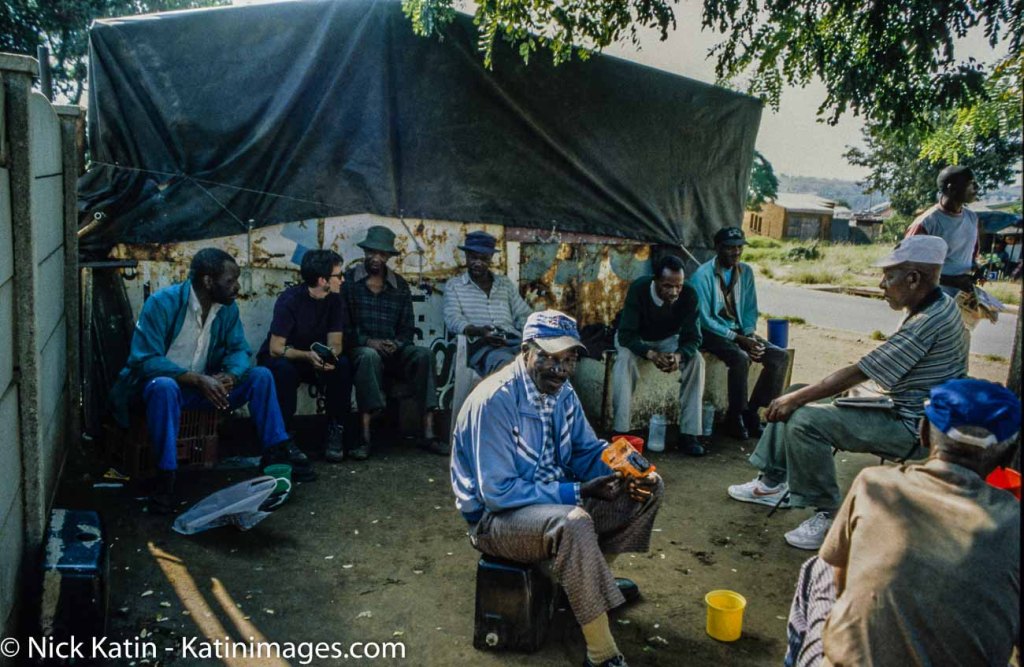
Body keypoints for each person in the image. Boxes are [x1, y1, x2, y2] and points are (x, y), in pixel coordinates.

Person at [726, 236, 969, 549]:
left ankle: (828, 514)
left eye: (889, 277)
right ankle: (772, 482)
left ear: (913, 279)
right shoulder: (939, 305)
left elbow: (860, 371)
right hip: (907, 409)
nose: (882, 284)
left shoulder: (928, 321)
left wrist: (796, 400)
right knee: (798, 391)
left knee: (804, 419)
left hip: (916, 428)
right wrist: (797, 396)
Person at [451, 310, 663, 667]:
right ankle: (601, 654)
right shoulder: (496, 401)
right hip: (495, 520)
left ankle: (585, 587)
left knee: (649, 488)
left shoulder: (561, 392)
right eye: (548, 356)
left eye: (568, 359)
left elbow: (584, 449)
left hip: (548, 501)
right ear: (525, 350)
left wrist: (625, 469)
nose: (559, 368)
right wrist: (577, 492)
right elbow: (498, 493)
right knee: (575, 522)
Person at [784, 378, 1020, 667]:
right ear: (1009, 454)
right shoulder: (1014, 520)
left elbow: (841, 582)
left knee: (819, 567)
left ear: (923, 432)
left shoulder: (874, 484)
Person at [109, 248, 307, 512]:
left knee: (261, 376)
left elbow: (239, 350)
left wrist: (231, 375)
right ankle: (165, 480)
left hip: (204, 389)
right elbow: (145, 360)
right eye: (230, 281)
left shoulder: (226, 309)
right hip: (159, 392)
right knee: (164, 387)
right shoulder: (162, 303)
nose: (236, 287)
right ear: (207, 281)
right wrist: (195, 379)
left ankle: (276, 455)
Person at [341, 225, 446, 460]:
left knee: (423, 354)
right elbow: (343, 329)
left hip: (393, 351)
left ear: (388, 257)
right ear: (365, 252)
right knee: (369, 356)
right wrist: (369, 342)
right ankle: (365, 438)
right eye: (372, 253)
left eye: (382, 254)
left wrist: (396, 344)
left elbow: (408, 329)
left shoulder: (399, 286)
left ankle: (428, 433)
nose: (376, 258)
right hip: (361, 352)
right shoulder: (348, 283)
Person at [689, 226, 788, 440]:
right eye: (729, 248)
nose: (735, 252)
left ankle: (752, 412)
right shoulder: (701, 276)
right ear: (717, 248)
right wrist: (739, 340)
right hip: (710, 331)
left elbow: (750, 309)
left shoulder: (746, 271)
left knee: (779, 357)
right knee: (740, 358)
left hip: (738, 330)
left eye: (739, 248)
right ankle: (735, 417)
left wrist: (750, 335)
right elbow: (705, 319)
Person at [258, 249, 352, 463]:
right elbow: (276, 348)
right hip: (288, 357)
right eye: (338, 275)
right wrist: (307, 356)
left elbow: (335, 342)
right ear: (322, 280)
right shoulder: (290, 299)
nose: (343, 279)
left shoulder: (335, 300)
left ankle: (335, 430)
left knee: (343, 365)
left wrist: (328, 358)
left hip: (314, 358)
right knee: (284, 371)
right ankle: (284, 437)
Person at [612, 254, 706, 456]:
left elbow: (694, 338)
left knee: (697, 360)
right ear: (655, 281)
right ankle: (621, 432)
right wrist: (651, 354)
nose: (674, 292)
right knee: (624, 360)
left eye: (678, 286)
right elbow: (626, 335)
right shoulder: (639, 289)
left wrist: (679, 356)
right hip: (636, 338)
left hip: (667, 339)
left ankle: (689, 434)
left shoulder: (689, 294)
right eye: (667, 286)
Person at [443, 230, 533, 376]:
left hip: (512, 342)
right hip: (479, 346)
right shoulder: (454, 285)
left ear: (491, 258)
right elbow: (453, 320)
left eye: (483, 258)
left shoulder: (504, 284)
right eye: (473, 258)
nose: (477, 263)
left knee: (540, 362)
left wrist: (532, 337)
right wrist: (480, 332)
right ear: (466, 257)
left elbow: (523, 315)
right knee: (507, 365)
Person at [905, 165, 980, 296]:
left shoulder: (972, 218)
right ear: (952, 188)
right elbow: (906, 267)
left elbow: (970, 255)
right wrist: (952, 281)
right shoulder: (926, 223)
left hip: (961, 300)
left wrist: (976, 267)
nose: (977, 187)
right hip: (931, 300)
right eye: (971, 183)